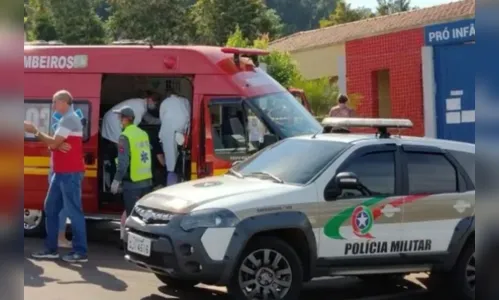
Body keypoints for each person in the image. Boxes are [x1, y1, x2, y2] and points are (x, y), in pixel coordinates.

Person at [24, 90, 88, 263]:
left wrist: (35, 131)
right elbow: (54, 145)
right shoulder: (66, 119)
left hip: (69, 173)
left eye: (54, 102)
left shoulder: (69, 119)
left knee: (74, 211)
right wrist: (55, 145)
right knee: (50, 208)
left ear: (64, 102)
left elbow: (52, 143)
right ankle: (51, 249)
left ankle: (80, 252)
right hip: (61, 173)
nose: (53, 106)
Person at [101, 91, 161, 190]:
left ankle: (118, 179)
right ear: (150, 100)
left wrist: (163, 120)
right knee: (122, 154)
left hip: (113, 121)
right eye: (155, 103)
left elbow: (149, 120)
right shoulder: (140, 107)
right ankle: (117, 181)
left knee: (122, 153)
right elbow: (133, 128)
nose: (155, 106)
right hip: (114, 123)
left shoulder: (141, 105)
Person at [110, 106, 153, 243]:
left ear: (126, 119)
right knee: (143, 216)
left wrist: (116, 181)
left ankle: (131, 245)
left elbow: (123, 163)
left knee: (132, 216)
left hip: (132, 182)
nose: (119, 120)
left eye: (120, 117)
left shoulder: (125, 136)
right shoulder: (143, 133)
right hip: (146, 181)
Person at [158, 87, 190, 186]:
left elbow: (161, 117)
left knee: (170, 159)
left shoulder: (166, 102)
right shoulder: (184, 101)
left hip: (168, 131)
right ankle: (177, 178)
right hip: (182, 132)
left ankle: (170, 181)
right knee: (178, 157)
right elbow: (188, 116)